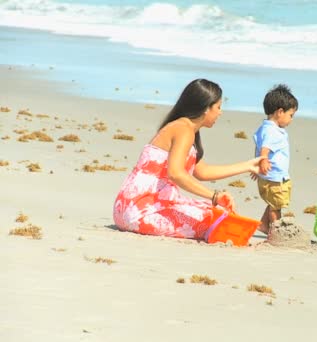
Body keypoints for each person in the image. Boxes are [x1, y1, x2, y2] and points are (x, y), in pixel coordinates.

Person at [113, 79, 266, 240]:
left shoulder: (181, 127)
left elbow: (202, 172)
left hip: (126, 208)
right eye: (218, 107)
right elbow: (176, 173)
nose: (220, 113)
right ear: (206, 108)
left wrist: (248, 165)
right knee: (217, 220)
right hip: (142, 211)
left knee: (217, 212)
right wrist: (214, 196)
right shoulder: (184, 130)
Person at [251, 84, 298, 234]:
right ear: (280, 112)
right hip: (274, 177)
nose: (291, 120)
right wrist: (263, 160)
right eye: (291, 115)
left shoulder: (264, 128)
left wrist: (257, 164)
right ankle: (276, 230)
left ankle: (264, 225)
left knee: (274, 202)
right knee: (276, 206)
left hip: (269, 175)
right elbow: (265, 148)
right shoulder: (273, 131)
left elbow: (258, 147)